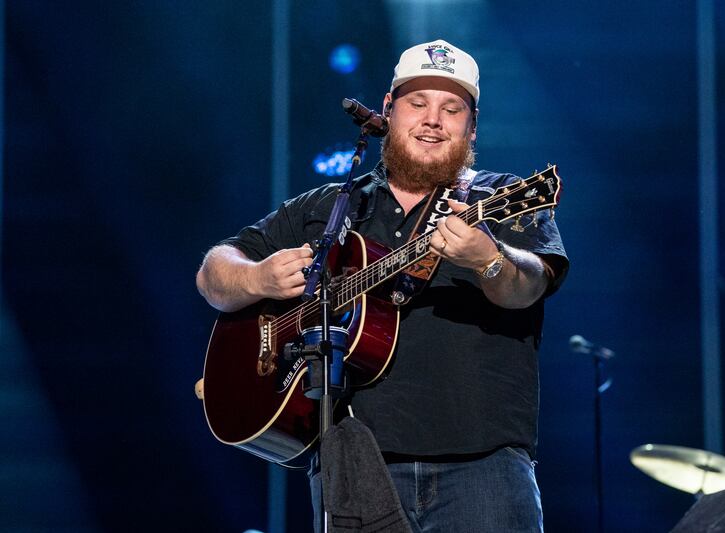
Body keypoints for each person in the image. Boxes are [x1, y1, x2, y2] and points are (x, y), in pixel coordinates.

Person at [196, 39, 568, 532]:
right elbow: (213, 273)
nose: (433, 120)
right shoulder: (329, 206)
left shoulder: (498, 197)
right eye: (418, 103)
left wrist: (489, 260)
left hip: (482, 469)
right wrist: (257, 277)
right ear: (389, 110)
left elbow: (529, 287)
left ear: (472, 126)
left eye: (451, 109)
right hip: (353, 464)